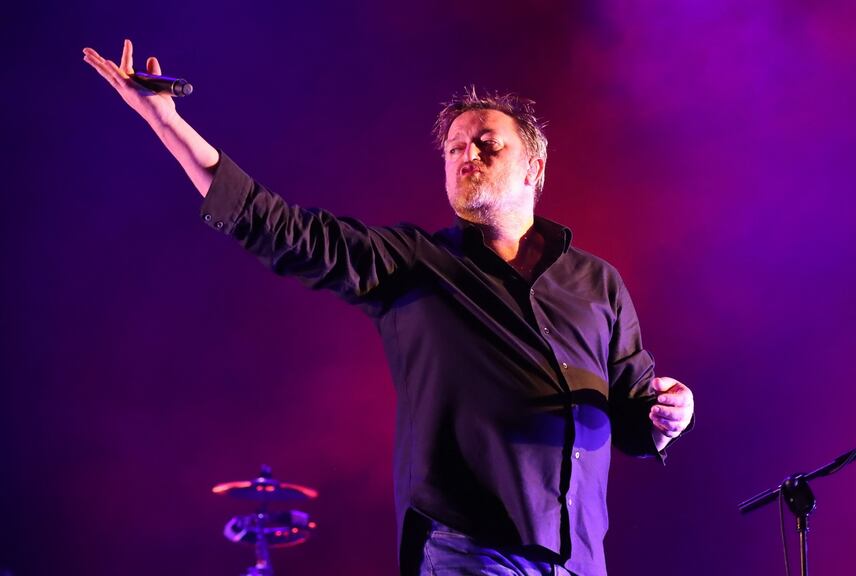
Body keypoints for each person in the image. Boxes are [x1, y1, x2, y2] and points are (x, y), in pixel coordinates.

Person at [83, 39, 695, 576]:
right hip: (471, 549)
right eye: (454, 148)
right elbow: (281, 228)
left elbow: (635, 408)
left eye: (486, 144)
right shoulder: (414, 262)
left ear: (534, 166)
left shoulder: (596, 282)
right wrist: (167, 123)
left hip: (580, 558)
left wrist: (669, 412)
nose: (465, 157)